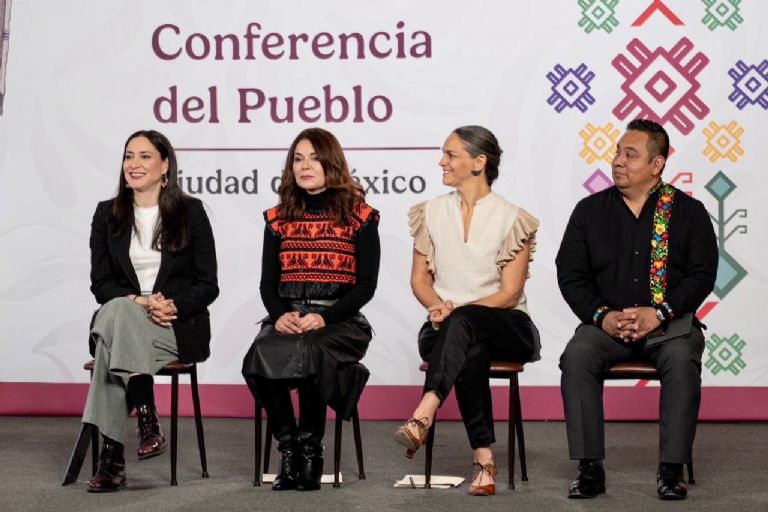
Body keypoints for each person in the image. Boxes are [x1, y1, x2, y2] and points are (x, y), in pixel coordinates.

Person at [556, 119, 718, 500]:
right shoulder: (589, 211)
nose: (618, 161)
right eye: (617, 152)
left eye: (630, 155)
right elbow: (571, 274)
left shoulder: (688, 212)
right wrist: (603, 316)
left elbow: (702, 275)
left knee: (680, 357)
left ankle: (671, 470)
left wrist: (660, 312)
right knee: (577, 355)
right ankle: (589, 468)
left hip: (668, 326)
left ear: (657, 164)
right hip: (606, 326)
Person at [394, 125, 541, 496]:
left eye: (450, 154)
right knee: (469, 350)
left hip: (508, 327)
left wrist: (457, 312)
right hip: (445, 330)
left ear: (479, 162)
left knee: (465, 325)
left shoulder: (513, 218)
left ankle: (426, 410)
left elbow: (509, 293)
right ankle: (483, 458)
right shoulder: (429, 213)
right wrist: (436, 306)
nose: (441, 162)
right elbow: (419, 280)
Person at [242, 128, 380, 491]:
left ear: (331, 163)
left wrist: (323, 317)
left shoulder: (361, 217)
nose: (304, 166)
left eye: (314, 159)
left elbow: (366, 286)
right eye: (298, 159)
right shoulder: (278, 219)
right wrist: (279, 316)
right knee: (261, 351)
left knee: (312, 350)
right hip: (290, 317)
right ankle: (289, 449)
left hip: (340, 321)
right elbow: (267, 285)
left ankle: (311, 451)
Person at [82, 130, 219, 492]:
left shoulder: (191, 212)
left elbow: (208, 284)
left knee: (110, 346)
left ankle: (111, 458)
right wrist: (139, 302)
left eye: (145, 156)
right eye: (129, 156)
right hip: (125, 315)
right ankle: (146, 416)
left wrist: (173, 305)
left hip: (174, 325)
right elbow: (101, 283)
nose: (134, 164)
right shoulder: (106, 214)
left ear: (165, 165)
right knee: (119, 311)